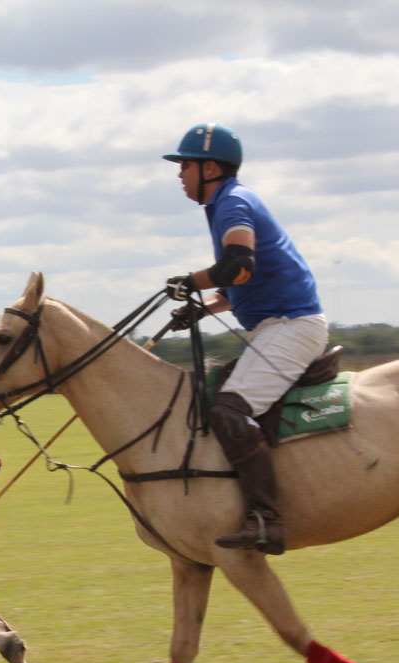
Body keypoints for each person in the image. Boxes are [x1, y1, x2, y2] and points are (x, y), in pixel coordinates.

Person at [161, 122, 326, 555]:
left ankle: (268, 518)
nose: (179, 175)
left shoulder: (231, 202)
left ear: (210, 168)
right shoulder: (224, 205)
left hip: (291, 325)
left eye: (185, 167)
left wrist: (190, 282)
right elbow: (242, 285)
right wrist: (202, 307)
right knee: (217, 394)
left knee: (230, 412)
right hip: (277, 325)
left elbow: (239, 265)